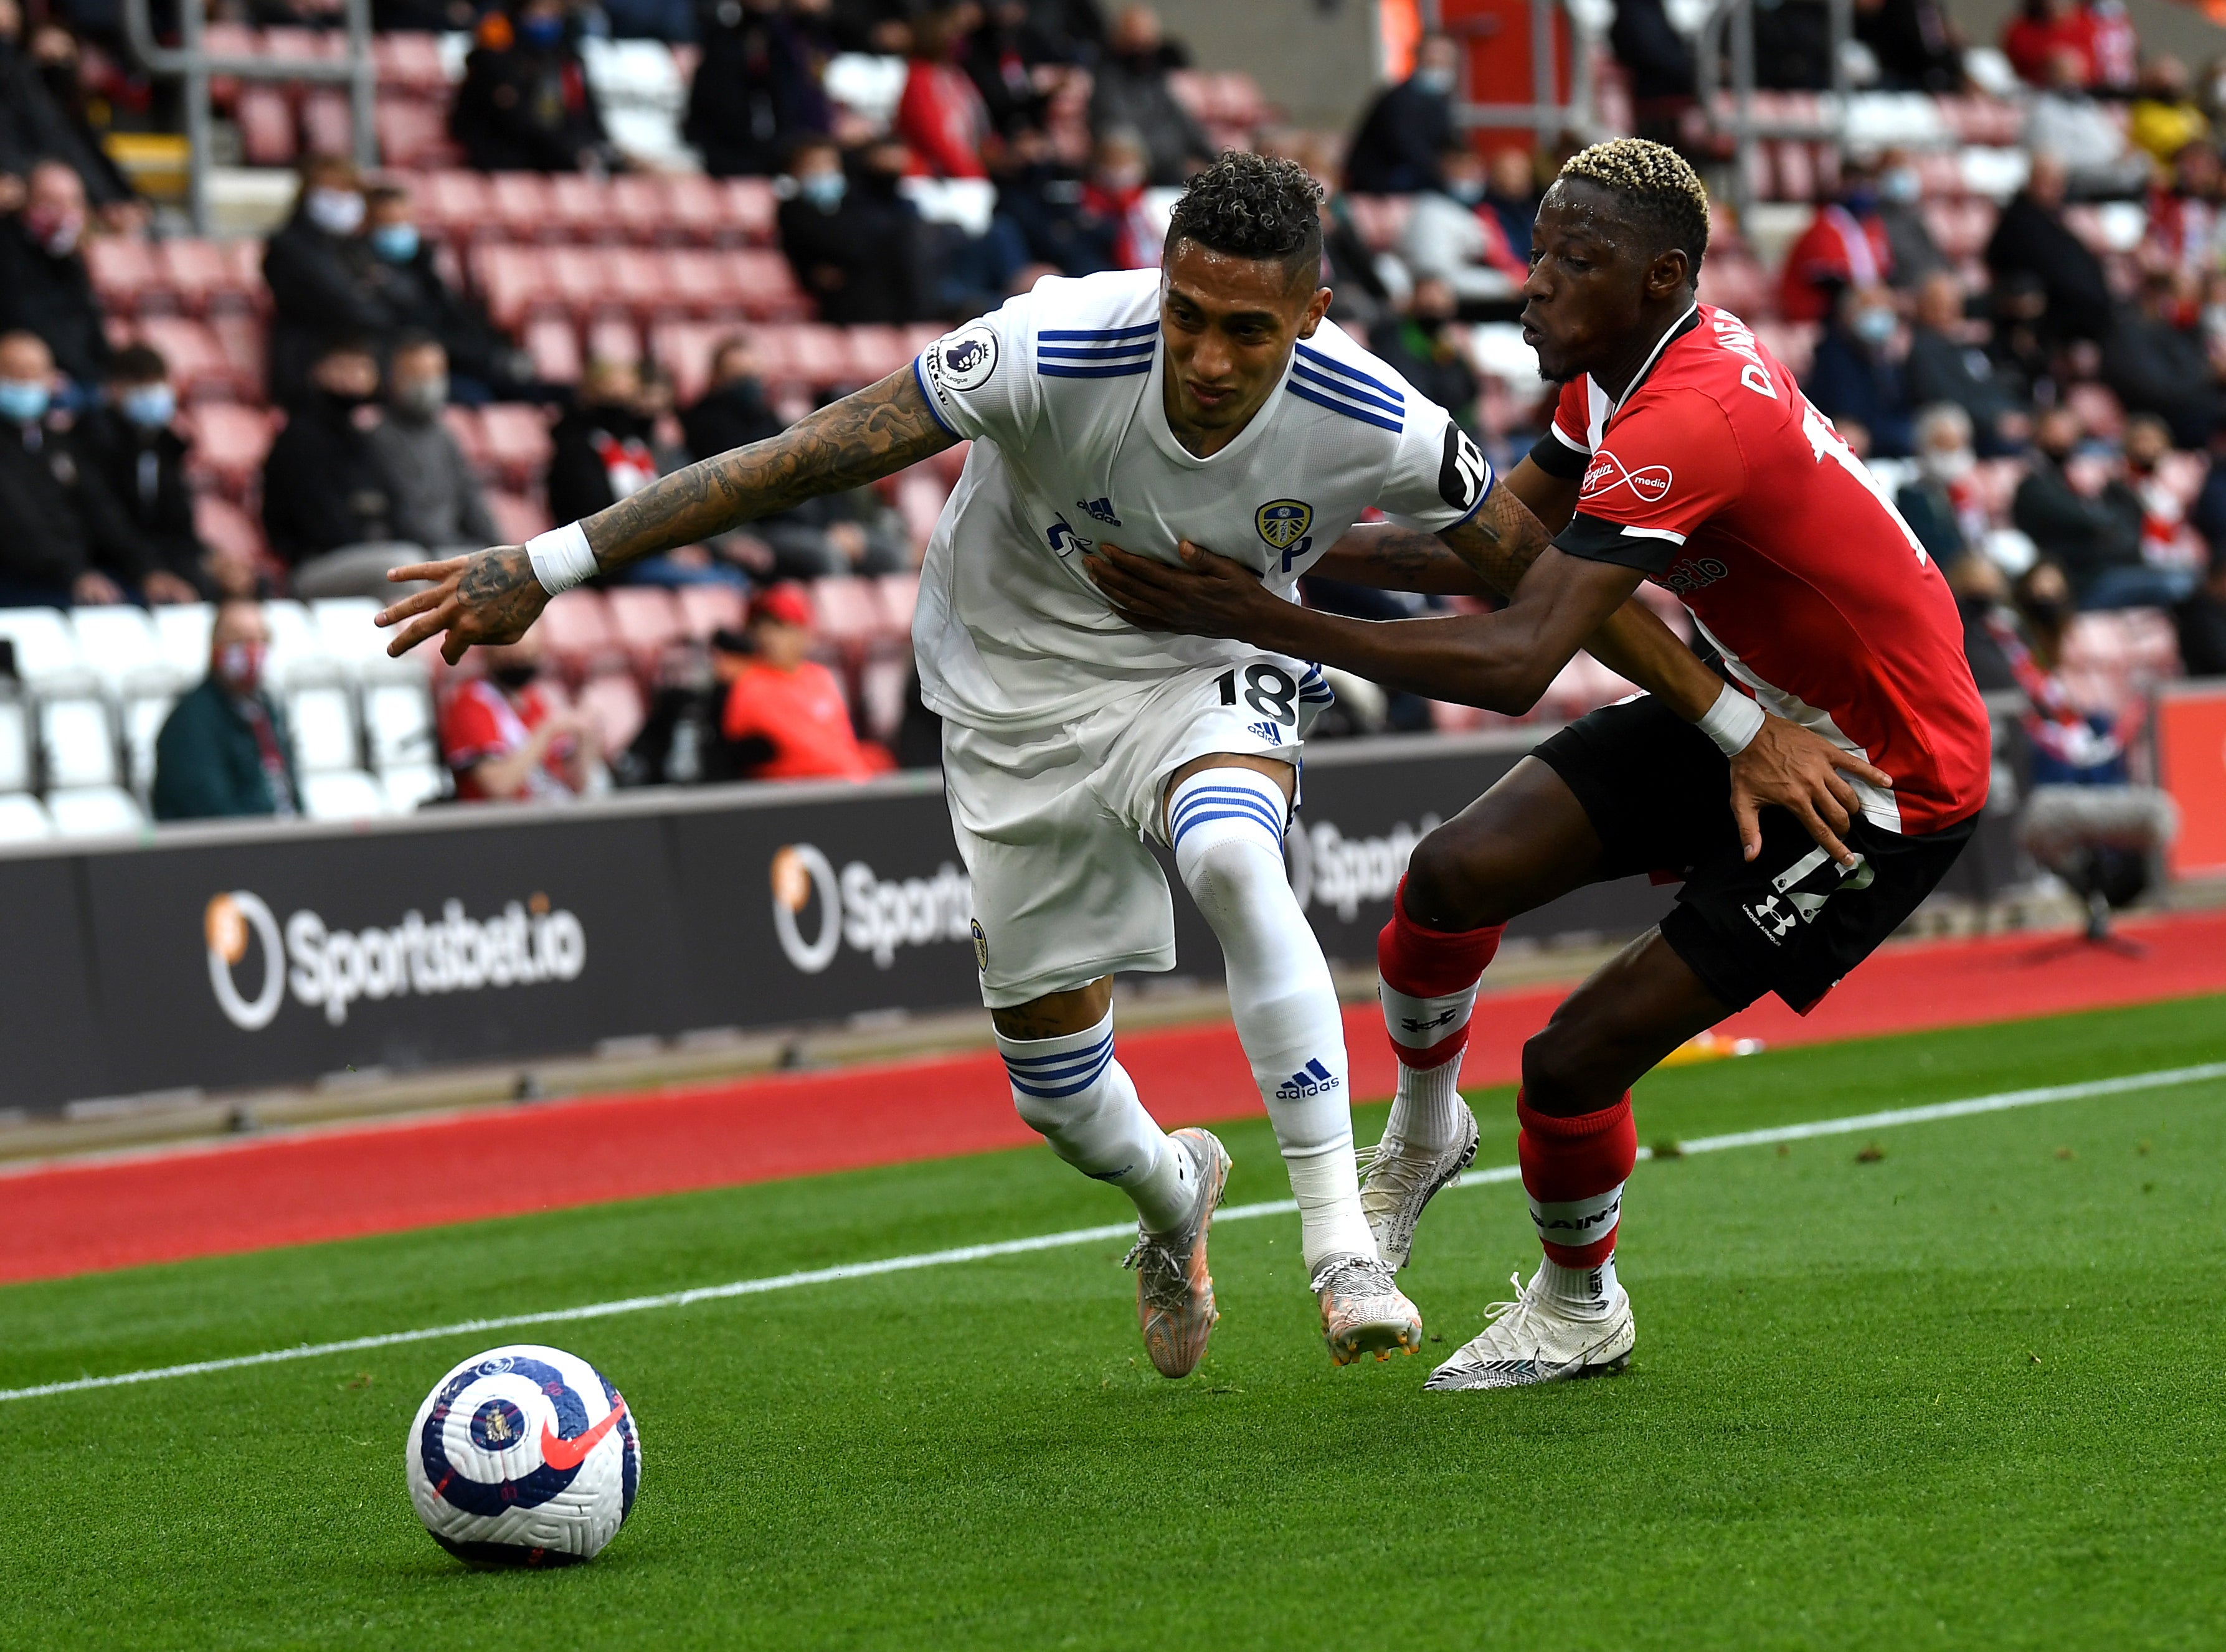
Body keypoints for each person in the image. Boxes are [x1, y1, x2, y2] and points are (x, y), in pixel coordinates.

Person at [379, 149, 1868, 1381]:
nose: (1210, 359)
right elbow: (810, 453)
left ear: (1312, 317)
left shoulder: (1373, 415)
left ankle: (1340, 1243)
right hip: (1012, 691)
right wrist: (549, 559)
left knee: (1232, 855)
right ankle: (1173, 1194)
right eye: (1189, 316)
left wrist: (1734, 722)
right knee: (1055, 1090)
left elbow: (1541, 585)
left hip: (1199, 670)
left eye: (1249, 330)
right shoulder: (1046, 345)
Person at [1077, 140, 1992, 1392]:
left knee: (1567, 1062)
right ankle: (1418, 1135)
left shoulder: (1689, 415)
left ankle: (1579, 1307)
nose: (1538, 283)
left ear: (1661, 276)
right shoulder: (1612, 377)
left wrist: (1262, 612)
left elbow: (1518, 655)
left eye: (1579, 261)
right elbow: (1495, 547)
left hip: (1874, 783)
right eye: (1538, 251)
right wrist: (1281, 550)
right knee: (1449, 876)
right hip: (1758, 712)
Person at [0, 328, 165, 608]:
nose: (26, 383)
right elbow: (17, 525)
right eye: (15, 373)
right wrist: (73, 574)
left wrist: (147, 569)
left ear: (52, 380)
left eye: (34, 373)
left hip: (75, 576)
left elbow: (103, 512)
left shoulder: (61, 445)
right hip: (24, 583)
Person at [361, 182, 531, 406]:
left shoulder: (423, 262)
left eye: (404, 220)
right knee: (478, 398)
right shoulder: (364, 269)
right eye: (390, 223)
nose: (400, 229)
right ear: (369, 224)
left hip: (462, 358)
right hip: (422, 367)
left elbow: (453, 312)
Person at [78, 344, 226, 600]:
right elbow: (107, 523)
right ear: (115, 389)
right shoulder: (91, 442)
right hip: (110, 563)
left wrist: (208, 558)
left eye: (158, 384)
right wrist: (149, 571)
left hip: (159, 559)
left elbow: (178, 523)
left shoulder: (164, 445)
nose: (153, 395)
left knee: (240, 584)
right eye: (142, 385)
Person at [260, 339, 405, 593]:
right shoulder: (299, 438)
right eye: (344, 368)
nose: (354, 378)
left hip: (370, 554)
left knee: (447, 563)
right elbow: (315, 522)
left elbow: (392, 503)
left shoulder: (362, 436)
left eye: (362, 369)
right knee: (404, 565)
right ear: (320, 371)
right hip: (314, 563)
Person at [719, 582, 893, 778]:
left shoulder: (820, 677)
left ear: (804, 633)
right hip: (801, 794)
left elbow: (842, 744)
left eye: (781, 627)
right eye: (762, 627)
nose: (769, 637)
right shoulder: (751, 686)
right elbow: (803, 752)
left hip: (843, 784)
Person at [260, 157, 392, 412]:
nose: (342, 200)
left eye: (348, 191)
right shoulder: (289, 248)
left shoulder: (355, 248)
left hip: (366, 369)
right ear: (308, 194)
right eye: (332, 191)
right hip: (308, 371)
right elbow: (346, 306)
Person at [151, 601, 302, 821]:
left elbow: (290, 792)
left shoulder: (268, 709)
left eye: (261, 639)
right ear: (215, 647)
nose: (252, 650)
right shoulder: (190, 720)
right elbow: (212, 814)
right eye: (239, 640)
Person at [2012, 405, 2159, 607]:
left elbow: (2132, 522)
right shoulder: (2035, 487)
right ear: (2039, 433)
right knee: (2176, 583)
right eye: (2055, 429)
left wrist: (2113, 486)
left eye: (2069, 430)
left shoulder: (2099, 485)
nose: (2063, 437)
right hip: (2081, 580)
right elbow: (2087, 522)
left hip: (2117, 567)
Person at [367, 334, 500, 556]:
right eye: (417, 375)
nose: (427, 385)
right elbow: (402, 520)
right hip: (415, 554)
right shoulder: (379, 440)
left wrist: (500, 550)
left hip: (456, 547)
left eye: (434, 375)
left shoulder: (445, 436)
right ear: (393, 378)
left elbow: (472, 501)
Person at [449, 0, 615, 175]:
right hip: (508, 160)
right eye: (540, 10)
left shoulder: (566, 59)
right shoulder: (494, 57)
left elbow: (585, 113)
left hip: (559, 157)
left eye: (554, 12)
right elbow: (516, 120)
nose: (546, 18)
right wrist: (571, 152)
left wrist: (595, 148)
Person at [776, 138, 927, 326]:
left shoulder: (858, 201)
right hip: (839, 305)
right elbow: (848, 245)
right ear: (795, 171)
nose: (823, 171)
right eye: (814, 164)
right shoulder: (793, 210)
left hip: (887, 298)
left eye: (830, 164)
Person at [438, 630, 603, 801]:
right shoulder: (470, 703)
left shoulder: (534, 701)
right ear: (489, 653)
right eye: (513, 654)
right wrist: (547, 731)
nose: (521, 662)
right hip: (502, 822)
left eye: (530, 655)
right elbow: (498, 786)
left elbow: (574, 784)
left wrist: (587, 738)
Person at [684, 0, 833, 177]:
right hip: (727, 155)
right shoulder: (722, 42)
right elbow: (713, 109)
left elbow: (792, 103)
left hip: (779, 152)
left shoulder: (786, 45)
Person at [0, 158, 107, 393]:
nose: (64, 213)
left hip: (79, 387)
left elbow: (92, 334)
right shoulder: (8, 250)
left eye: (73, 202)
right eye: (51, 202)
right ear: (26, 202)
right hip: (24, 387)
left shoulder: (73, 262)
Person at [1985, 153, 2112, 341]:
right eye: (2050, 182)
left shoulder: (2054, 219)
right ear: (2033, 180)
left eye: (2060, 183)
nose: (2057, 189)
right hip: (2048, 317)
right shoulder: (2018, 221)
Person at [1903, 271, 2029, 453]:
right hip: (1975, 432)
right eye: (1941, 304)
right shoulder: (1924, 348)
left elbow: (1991, 382)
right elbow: (1943, 395)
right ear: (1924, 306)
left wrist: (2016, 413)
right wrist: (1994, 420)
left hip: (2005, 418)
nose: (1950, 310)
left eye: (1954, 302)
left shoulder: (1965, 342)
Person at [1086, 5, 1210, 186]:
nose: (1143, 45)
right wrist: (1163, 154)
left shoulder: (1154, 76)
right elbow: (1116, 121)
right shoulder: (1107, 76)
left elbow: (1184, 122)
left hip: (1171, 169)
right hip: (1137, 171)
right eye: (1136, 37)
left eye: (1147, 38)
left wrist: (1217, 158)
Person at [1398, 144, 1528, 316]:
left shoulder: (1489, 210)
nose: (1470, 175)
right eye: (1461, 168)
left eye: (1474, 169)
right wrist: (1505, 284)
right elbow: (1437, 280)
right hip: (1456, 309)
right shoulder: (1430, 209)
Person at [2101, 269, 2226, 448]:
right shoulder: (2129, 334)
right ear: (2156, 293)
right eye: (2179, 295)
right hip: (2157, 430)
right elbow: (2161, 390)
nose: (2187, 303)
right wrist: (2213, 374)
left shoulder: (2179, 332)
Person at [1342, 33, 1461, 196]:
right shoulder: (1399, 100)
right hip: (1383, 188)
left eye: (1444, 62)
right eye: (1432, 62)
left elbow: (1447, 142)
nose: (1439, 68)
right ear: (1419, 58)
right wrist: (1442, 169)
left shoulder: (1439, 102)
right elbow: (1405, 146)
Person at [1804, 284, 1916, 456]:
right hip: (1851, 434)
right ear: (1847, 314)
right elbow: (1846, 413)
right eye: (1869, 308)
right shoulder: (1832, 354)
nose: (1878, 315)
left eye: (1883, 308)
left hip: (1891, 431)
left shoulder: (1887, 356)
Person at [2027, 49, 2150, 197]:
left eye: (2077, 73)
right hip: (2080, 180)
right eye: (2066, 73)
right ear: (2051, 75)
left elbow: (2113, 140)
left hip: (2113, 172)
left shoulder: (2088, 104)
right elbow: (2054, 158)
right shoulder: (2042, 110)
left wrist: (2123, 151)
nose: (2073, 78)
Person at [1778, 170, 1892, 324]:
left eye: (1869, 186)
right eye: (1858, 185)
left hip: (1859, 308)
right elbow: (1829, 279)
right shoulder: (1823, 226)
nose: (1865, 192)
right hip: (1820, 313)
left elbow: (1884, 271)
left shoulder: (1870, 225)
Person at [1368, 275, 1479, 432]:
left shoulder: (1451, 347)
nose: (1434, 305)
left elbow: (1467, 397)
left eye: (1441, 304)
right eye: (1429, 306)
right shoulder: (1394, 336)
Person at [897, 6, 993, 180]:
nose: (958, 40)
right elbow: (933, 134)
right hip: (933, 177)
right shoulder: (920, 76)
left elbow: (980, 126)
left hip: (967, 170)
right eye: (953, 34)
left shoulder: (957, 76)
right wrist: (972, 174)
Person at [1895, 402, 1988, 564]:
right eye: (1943, 444)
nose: (1951, 453)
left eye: (1956, 444)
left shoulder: (1968, 490)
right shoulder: (1911, 493)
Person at [679, 335, 784, 462]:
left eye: (755, 375)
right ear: (718, 377)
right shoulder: (703, 421)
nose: (750, 383)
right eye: (740, 376)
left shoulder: (767, 418)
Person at [2131, 55, 2210, 169]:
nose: (2171, 81)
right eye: (2165, 76)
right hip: (2166, 177)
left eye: (2175, 74)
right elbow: (2175, 149)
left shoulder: (2189, 109)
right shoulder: (2143, 112)